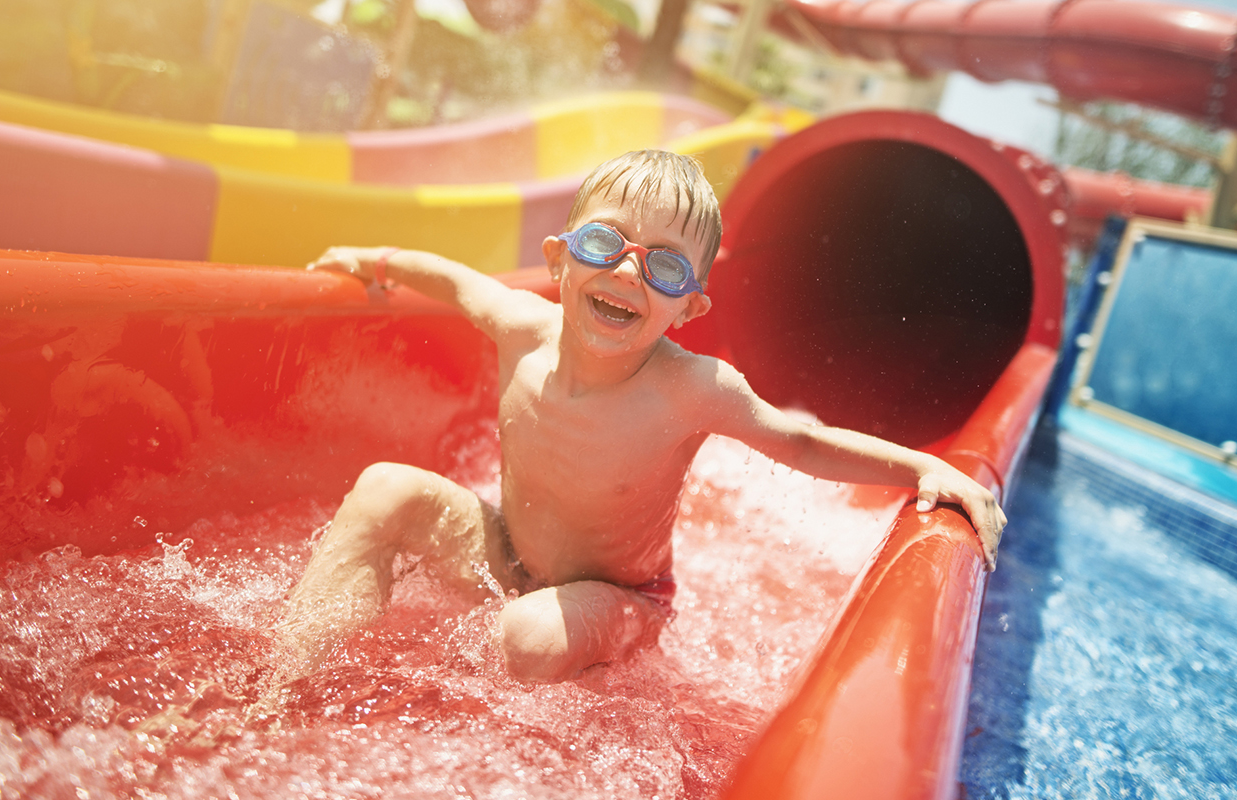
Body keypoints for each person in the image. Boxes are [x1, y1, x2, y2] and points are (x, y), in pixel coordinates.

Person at [275, 149, 1005, 686]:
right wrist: (376, 259)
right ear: (559, 260)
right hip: (508, 550)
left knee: (527, 639)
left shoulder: (692, 388)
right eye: (604, 243)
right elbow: (457, 281)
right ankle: (280, 684)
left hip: (620, 597)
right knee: (384, 488)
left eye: (664, 267)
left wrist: (927, 466)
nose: (628, 271)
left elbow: (801, 441)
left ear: (690, 308)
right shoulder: (520, 326)